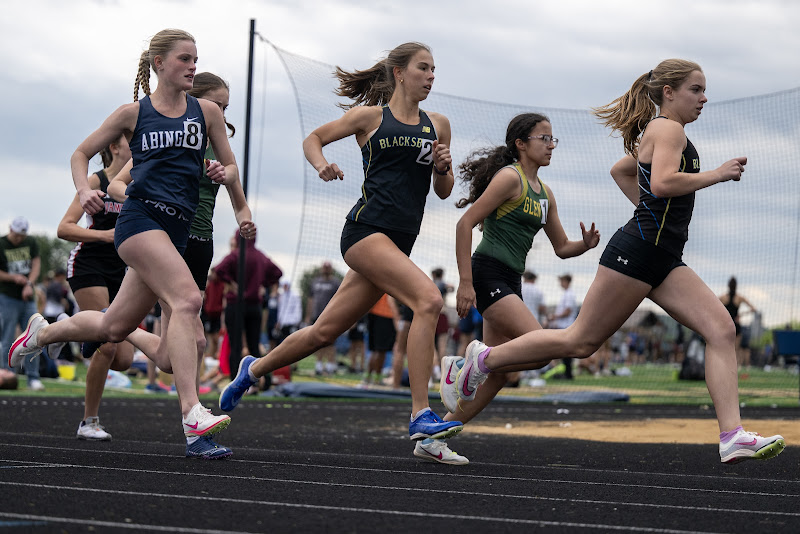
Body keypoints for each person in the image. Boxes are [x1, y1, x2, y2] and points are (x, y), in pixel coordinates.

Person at [449, 59, 785, 464]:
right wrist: (716, 173)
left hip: (663, 255)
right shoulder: (669, 129)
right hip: (639, 251)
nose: (704, 98)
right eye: (696, 90)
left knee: (721, 329)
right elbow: (662, 183)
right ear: (669, 93)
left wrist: (650, 210)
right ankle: (484, 359)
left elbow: (624, 170)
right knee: (580, 342)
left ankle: (732, 435)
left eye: (703, 90)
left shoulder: (663, 133)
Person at [9, 29, 249, 460]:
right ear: (159, 63)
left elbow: (231, 169)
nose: (193, 66)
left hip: (175, 232)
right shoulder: (133, 113)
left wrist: (222, 173)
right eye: (184, 59)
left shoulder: (208, 112)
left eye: (196, 59)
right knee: (187, 299)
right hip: (139, 223)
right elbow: (80, 154)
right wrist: (85, 190)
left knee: (114, 330)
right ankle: (193, 416)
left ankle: (42, 333)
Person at [220, 42, 463, 443]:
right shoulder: (370, 117)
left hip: (399, 242)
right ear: (399, 73)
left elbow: (443, 190)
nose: (431, 76)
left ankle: (253, 369)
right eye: (423, 68)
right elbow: (313, 138)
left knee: (323, 333)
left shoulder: (439, 125)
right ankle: (421, 412)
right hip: (365, 232)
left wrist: (441, 169)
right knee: (429, 300)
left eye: (434, 69)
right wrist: (322, 165)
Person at [435, 112, 599, 464]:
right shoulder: (510, 178)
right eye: (544, 138)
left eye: (553, 139)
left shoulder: (545, 194)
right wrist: (465, 283)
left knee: (502, 374)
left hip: (511, 279)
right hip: (488, 273)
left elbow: (561, 247)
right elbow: (465, 224)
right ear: (521, 144)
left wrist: (584, 245)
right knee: (542, 350)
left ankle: (436, 436)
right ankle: (464, 364)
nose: (551, 145)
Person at [56, 134, 136, 439]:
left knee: (124, 360)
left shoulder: (133, 184)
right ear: (114, 147)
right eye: (131, 140)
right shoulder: (96, 180)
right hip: (88, 265)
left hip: (120, 272)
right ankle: (89, 422)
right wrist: (105, 236)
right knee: (107, 345)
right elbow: (65, 227)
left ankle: (64, 329)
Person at [213, 232, 282, 385]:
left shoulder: (235, 255)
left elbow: (218, 270)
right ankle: (260, 381)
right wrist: (263, 284)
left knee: (235, 346)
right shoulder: (260, 257)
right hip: (254, 306)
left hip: (236, 304)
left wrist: (231, 283)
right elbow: (278, 272)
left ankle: (235, 382)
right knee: (254, 346)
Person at [0, 216, 44, 390]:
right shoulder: (2, 244)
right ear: (11, 229)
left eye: (22, 236)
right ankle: (6, 375)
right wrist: (13, 278)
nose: (19, 239)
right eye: (17, 235)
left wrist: (29, 284)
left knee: (34, 336)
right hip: (7, 296)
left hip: (27, 298)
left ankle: (33, 378)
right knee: (8, 337)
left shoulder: (31, 242)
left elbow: (36, 265)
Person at [305, 261, 341, 376]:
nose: (325, 269)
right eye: (324, 267)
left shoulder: (335, 283)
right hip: (316, 316)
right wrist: (308, 315)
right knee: (318, 341)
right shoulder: (315, 282)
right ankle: (319, 365)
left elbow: (339, 299)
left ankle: (330, 366)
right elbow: (310, 300)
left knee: (330, 342)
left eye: (327, 268)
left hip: (330, 316)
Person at [719, 277, 757, 368]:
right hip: (735, 325)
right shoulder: (739, 298)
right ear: (736, 286)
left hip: (725, 324)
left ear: (728, 285)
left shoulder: (723, 297)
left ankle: (724, 366)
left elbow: (713, 307)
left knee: (724, 347)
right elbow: (753, 309)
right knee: (736, 349)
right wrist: (741, 315)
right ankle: (736, 367)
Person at [361, 294, 397, 386]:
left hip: (374, 313)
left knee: (374, 350)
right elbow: (390, 299)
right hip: (386, 314)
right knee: (381, 350)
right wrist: (397, 318)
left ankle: (368, 376)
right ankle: (376, 378)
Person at [548, 273, 578, 380]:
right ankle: (567, 373)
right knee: (564, 351)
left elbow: (568, 311)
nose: (560, 283)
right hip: (564, 326)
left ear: (567, 281)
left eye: (562, 281)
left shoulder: (569, 294)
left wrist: (554, 316)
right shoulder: (566, 293)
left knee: (566, 351)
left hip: (566, 326)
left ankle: (568, 374)